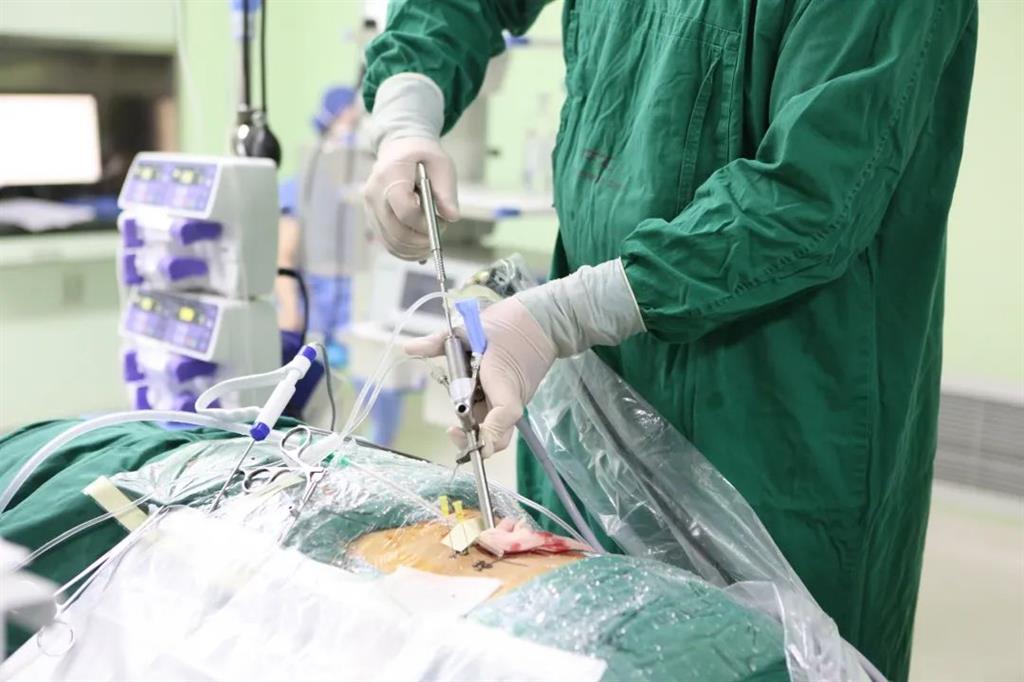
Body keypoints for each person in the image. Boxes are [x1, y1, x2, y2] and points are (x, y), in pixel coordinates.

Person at [360, 2, 978, 679]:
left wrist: (561, 316)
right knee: (577, 644)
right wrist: (406, 114)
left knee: (756, 658)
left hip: (775, 408)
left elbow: (809, 196)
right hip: (594, 389)